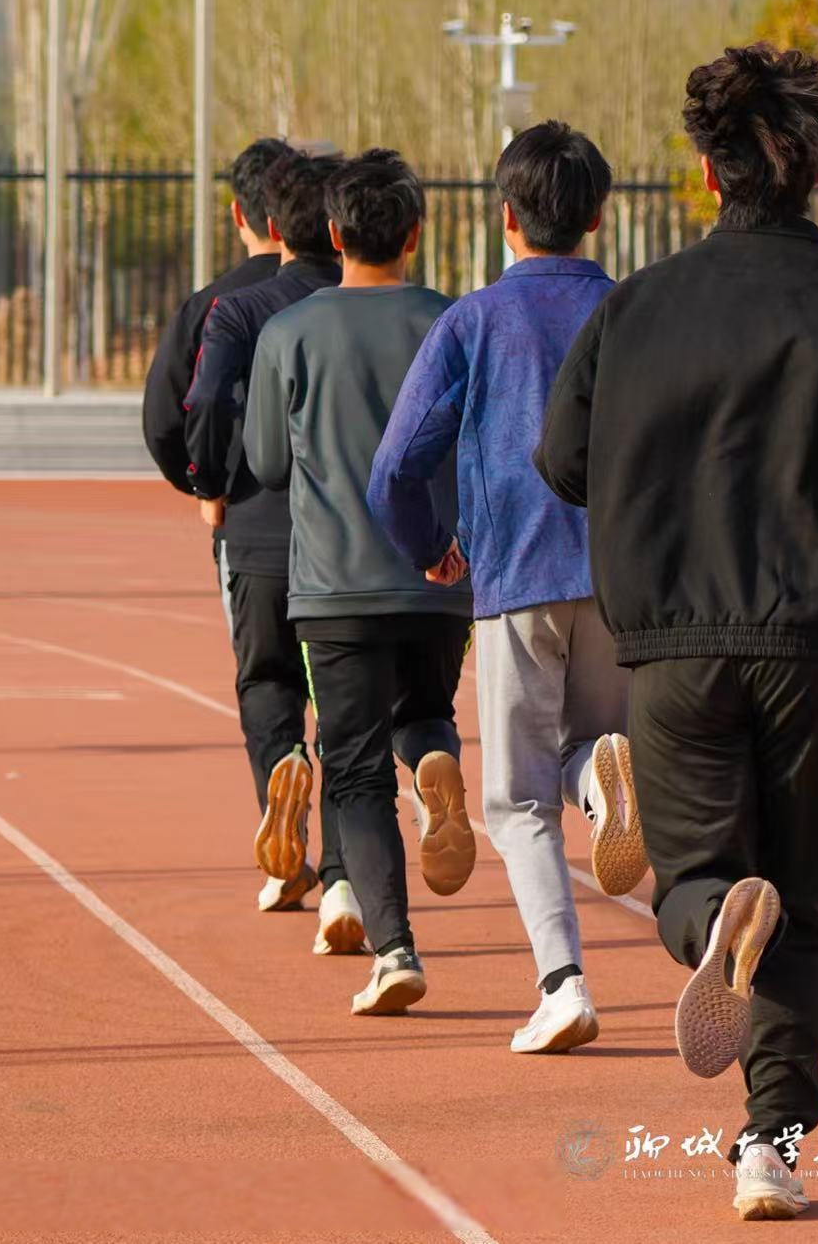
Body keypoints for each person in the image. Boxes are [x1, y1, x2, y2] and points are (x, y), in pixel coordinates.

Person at [537, 44, 818, 1220]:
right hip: (815, 642)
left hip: (669, 644)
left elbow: (562, 462)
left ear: (706, 176)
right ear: (813, 172)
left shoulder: (635, 307)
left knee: (694, 871)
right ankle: (767, 1142)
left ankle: (706, 914)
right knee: (808, 899)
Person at [367, 121, 640, 1055]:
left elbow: (397, 464)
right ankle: (605, 786)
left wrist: (432, 547)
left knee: (515, 801)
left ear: (506, 218)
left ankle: (562, 983)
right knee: (592, 743)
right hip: (621, 574)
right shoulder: (635, 312)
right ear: (599, 214)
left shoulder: (473, 321)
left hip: (516, 571)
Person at [244, 149, 472, 1016]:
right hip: (438, 576)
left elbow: (265, 461)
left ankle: (397, 949)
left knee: (353, 773)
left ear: (333, 234)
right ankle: (437, 753)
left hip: (334, 586)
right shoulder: (452, 322)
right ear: (416, 234)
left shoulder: (289, 332)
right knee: (421, 710)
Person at [182, 151, 360, 936]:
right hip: (350, 538)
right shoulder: (368, 303)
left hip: (256, 525)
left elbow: (204, 402)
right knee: (351, 713)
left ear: (269, 224)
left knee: (265, 681)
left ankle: (281, 781)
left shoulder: (242, 310)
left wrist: (209, 483)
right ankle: (348, 879)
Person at [142, 136, 295, 631]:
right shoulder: (339, 295)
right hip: (346, 526)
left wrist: (205, 481)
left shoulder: (209, 307)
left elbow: (165, 418)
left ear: (238, 214)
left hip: (243, 517)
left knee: (266, 681)